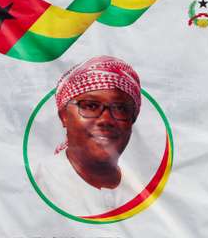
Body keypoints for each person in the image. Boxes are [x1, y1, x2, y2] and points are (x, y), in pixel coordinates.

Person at [34, 55, 144, 215]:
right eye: (91, 106)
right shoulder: (42, 183)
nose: (106, 120)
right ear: (63, 116)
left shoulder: (141, 190)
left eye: (120, 109)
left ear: (132, 120)